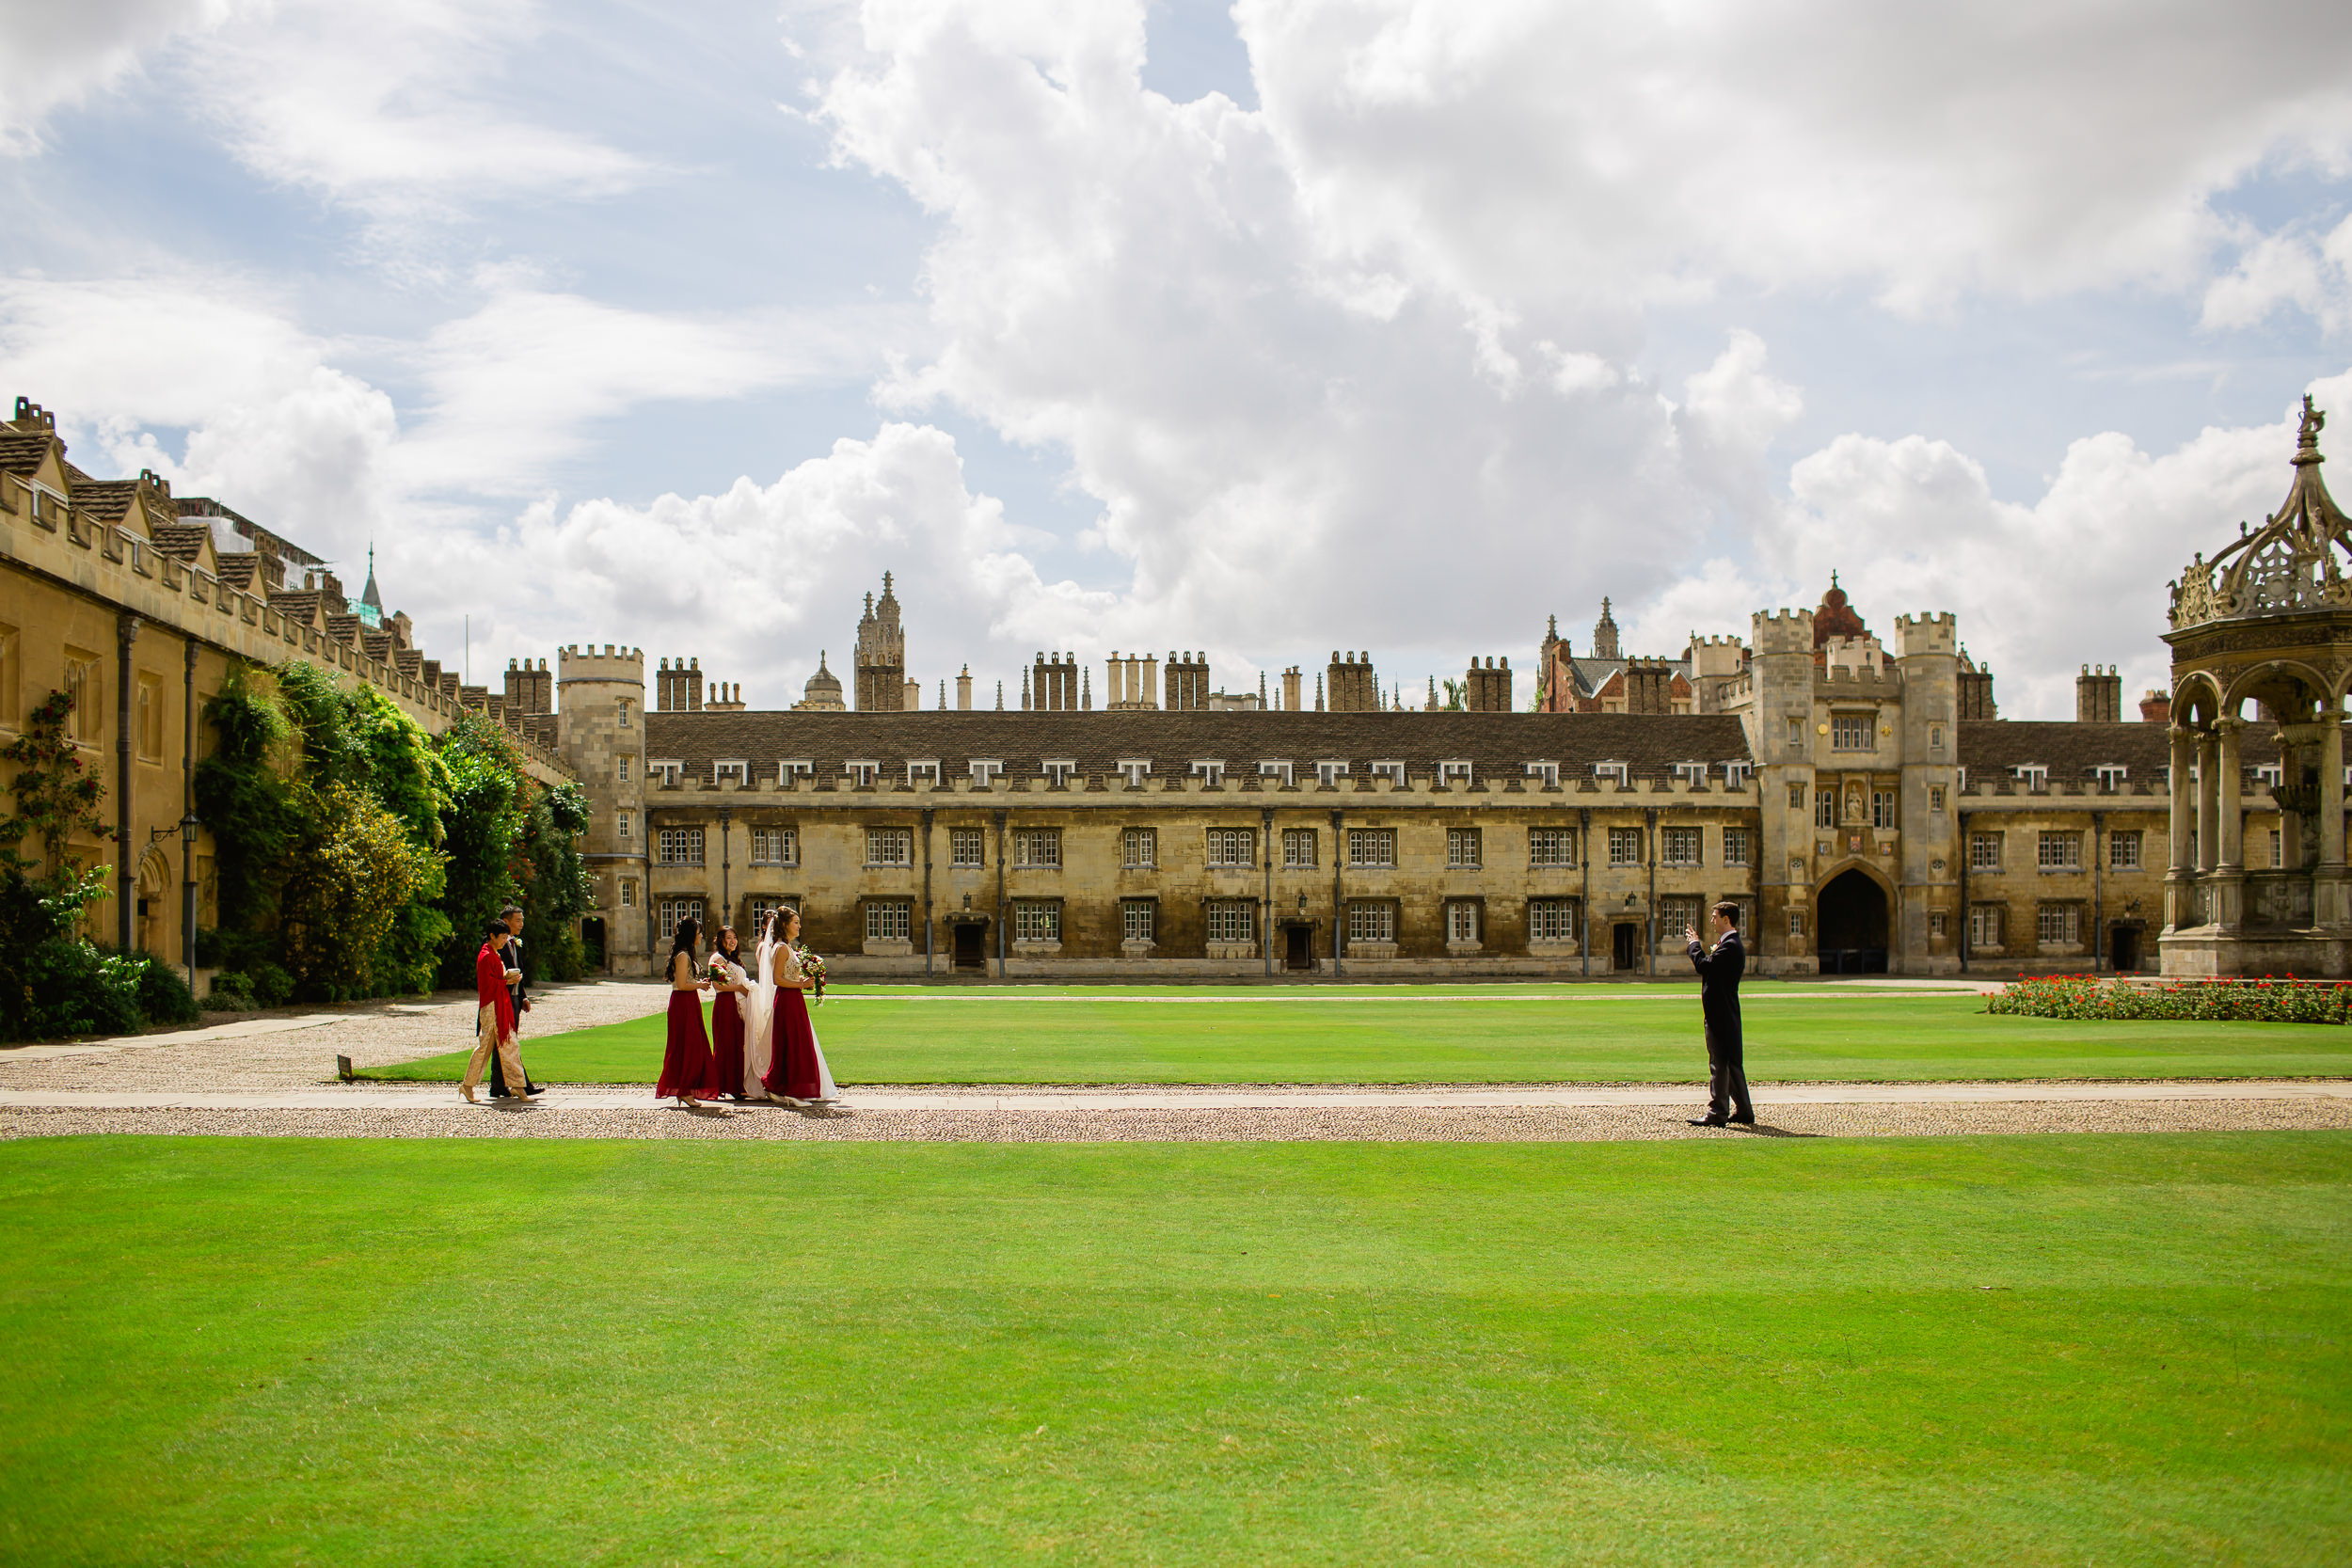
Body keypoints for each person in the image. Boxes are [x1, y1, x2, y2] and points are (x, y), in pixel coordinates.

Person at [1683, 900, 1753, 1127]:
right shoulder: (1730, 944)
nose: (1712, 920)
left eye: (1715, 916)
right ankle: (1743, 1111)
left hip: (1720, 1013)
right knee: (1732, 1063)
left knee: (1719, 1063)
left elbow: (1704, 966)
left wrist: (1694, 945)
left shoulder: (1730, 945)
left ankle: (1717, 1112)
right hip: (1727, 1011)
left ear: (1726, 919)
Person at [760, 908, 839, 1105]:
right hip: (788, 999)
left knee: (791, 1043)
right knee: (794, 1044)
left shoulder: (785, 947)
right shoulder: (781, 948)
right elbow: (777, 979)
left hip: (793, 998)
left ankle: (779, 1086)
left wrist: (802, 980)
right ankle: (792, 1091)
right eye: (795, 922)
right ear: (785, 925)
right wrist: (801, 984)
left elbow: (787, 975)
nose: (799, 926)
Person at [461, 920, 533, 1105]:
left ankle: (469, 1085)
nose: (504, 941)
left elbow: (494, 979)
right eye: (502, 938)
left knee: (494, 1046)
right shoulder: (487, 956)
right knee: (506, 1044)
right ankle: (516, 1085)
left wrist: (507, 978)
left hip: (498, 1004)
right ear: (492, 936)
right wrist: (507, 982)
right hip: (493, 1006)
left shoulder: (492, 953)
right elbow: (487, 985)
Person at [655, 917, 719, 1108]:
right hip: (682, 1003)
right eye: (699, 933)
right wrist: (700, 985)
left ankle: (686, 1089)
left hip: (689, 1002)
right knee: (687, 1047)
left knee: (693, 1046)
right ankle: (683, 1089)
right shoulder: (682, 955)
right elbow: (682, 985)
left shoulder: (687, 954)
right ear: (692, 935)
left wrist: (700, 983)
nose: (701, 937)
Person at [488, 904, 546, 1099]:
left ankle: (498, 1085)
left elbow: (518, 971)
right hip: (501, 999)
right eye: (518, 920)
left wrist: (523, 996)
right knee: (508, 1041)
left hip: (514, 998)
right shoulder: (497, 946)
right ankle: (522, 1084)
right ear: (506, 922)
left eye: (522, 920)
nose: (521, 924)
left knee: (504, 1041)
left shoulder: (512, 943)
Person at [707, 926, 754, 1101]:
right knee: (727, 1045)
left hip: (736, 1004)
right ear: (720, 940)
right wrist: (741, 988)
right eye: (728, 937)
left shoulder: (732, 958)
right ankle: (721, 1085)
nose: (733, 940)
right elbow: (718, 986)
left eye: (735, 937)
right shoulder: (717, 959)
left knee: (738, 1045)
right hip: (726, 1004)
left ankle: (736, 1085)